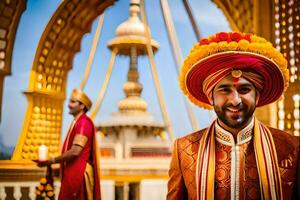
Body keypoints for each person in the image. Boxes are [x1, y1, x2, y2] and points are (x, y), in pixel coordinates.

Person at [167, 32, 300, 199]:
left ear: (257, 96)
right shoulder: (185, 150)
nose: (235, 100)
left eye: (244, 90)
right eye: (224, 90)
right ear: (210, 96)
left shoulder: (291, 148)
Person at [37, 88, 101, 200]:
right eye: (69, 101)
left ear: (82, 106)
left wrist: (52, 160)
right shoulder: (77, 122)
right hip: (74, 173)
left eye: (72, 102)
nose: (69, 105)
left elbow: (75, 151)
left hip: (79, 175)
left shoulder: (83, 123)